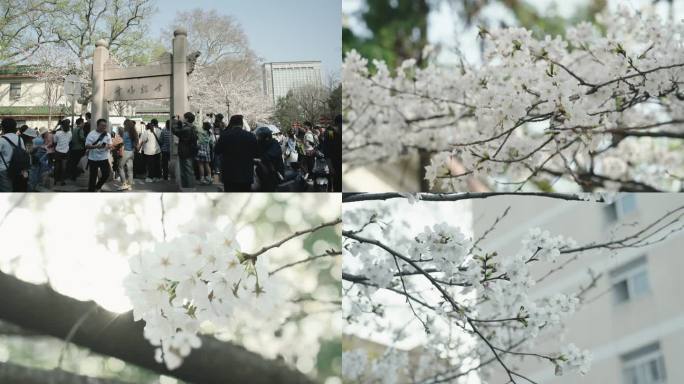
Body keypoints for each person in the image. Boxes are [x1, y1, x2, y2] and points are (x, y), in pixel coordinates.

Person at [215, 115, 257, 192]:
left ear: (231, 124)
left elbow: (217, 150)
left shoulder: (225, 135)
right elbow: (256, 153)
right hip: (246, 173)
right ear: (242, 124)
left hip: (229, 173)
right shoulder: (250, 136)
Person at [0, 118, 28, 192]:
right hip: (18, 168)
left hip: (4, 170)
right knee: (16, 188)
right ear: (15, 127)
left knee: (6, 190)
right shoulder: (19, 139)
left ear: (2, 128)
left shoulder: (1, 140)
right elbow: (24, 153)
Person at [172, 112, 198, 189]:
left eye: (184, 117)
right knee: (187, 170)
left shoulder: (187, 129)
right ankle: (187, 186)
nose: (182, 118)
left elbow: (176, 131)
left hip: (185, 151)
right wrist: (179, 123)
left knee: (187, 170)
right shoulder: (191, 127)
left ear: (186, 119)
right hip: (189, 151)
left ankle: (189, 187)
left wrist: (174, 122)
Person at [85, 119, 112, 192]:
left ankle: (97, 186)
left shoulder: (107, 134)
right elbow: (87, 146)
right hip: (93, 158)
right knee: (93, 177)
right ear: (97, 125)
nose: (104, 127)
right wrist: (96, 146)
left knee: (106, 174)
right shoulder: (91, 134)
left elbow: (110, 144)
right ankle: (91, 191)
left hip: (104, 158)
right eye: (102, 125)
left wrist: (108, 146)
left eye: (105, 126)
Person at [254, 126, 284, 192]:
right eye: (258, 136)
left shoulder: (274, 143)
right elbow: (255, 153)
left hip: (275, 171)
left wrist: (261, 159)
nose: (258, 138)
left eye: (260, 136)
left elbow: (271, 155)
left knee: (269, 187)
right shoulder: (259, 143)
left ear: (266, 137)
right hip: (262, 169)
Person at [53, 119, 72, 186]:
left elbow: (55, 141)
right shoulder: (70, 133)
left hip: (58, 152)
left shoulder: (58, 133)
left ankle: (55, 180)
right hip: (66, 152)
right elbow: (69, 141)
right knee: (63, 167)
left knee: (57, 167)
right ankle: (62, 181)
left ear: (62, 126)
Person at [121, 119, 138, 189]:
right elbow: (136, 143)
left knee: (120, 167)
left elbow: (122, 142)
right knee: (130, 169)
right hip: (132, 152)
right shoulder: (134, 133)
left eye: (124, 124)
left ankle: (124, 183)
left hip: (126, 152)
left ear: (126, 125)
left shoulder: (125, 133)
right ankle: (130, 185)